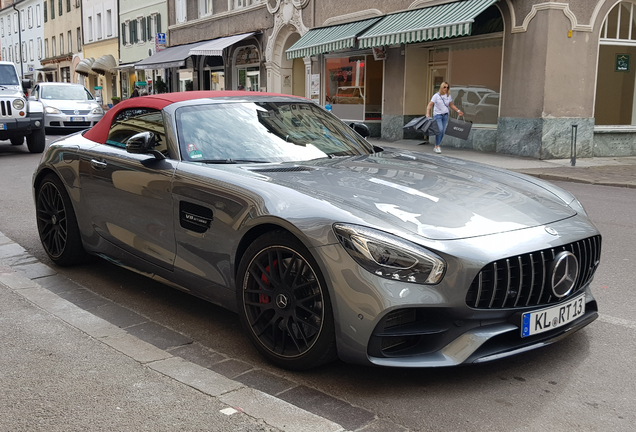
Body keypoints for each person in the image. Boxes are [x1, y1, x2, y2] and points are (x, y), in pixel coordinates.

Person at [426, 82, 463, 154]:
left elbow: (451, 104)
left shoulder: (448, 96)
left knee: (443, 131)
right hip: (438, 115)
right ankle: (437, 146)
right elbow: (430, 104)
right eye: (444, 87)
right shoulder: (436, 95)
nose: (446, 89)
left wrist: (458, 111)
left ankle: (437, 145)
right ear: (441, 87)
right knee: (440, 130)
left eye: (447, 87)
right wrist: (427, 113)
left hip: (445, 115)